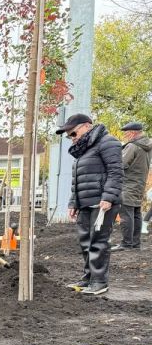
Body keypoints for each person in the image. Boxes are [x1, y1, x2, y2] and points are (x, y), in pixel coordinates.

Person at [59, 114, 123, 295]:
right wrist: (74, 202)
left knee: (99, 241)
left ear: (87, 126)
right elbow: (78, 179)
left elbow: (116, 172)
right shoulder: (84, 149)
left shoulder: (108, 142)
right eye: (69, 136)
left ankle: (100, 281)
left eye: (73, 133)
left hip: (102, 203)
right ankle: (88, 278)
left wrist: (109, 197)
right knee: (86, 242)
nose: (72, 138)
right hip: (86, 202)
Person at [112, 122, 150, 252]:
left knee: (126, 214)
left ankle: (126, 243)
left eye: (127, 133)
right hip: (139, 184)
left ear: (133, 132)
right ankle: (135, 243)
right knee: (136, 214)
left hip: (128, 184)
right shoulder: (147, 146)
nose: (125, 135)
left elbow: (121, 164)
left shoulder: (133, 146)